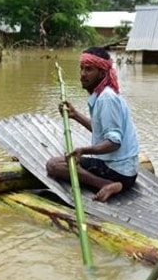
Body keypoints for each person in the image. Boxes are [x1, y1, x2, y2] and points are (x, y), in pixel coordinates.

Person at [46, 47, 140, 202]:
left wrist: (83, 150)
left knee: (53, 165)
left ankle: (107, 184)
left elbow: (114, 143)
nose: (83, 74)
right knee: (63, 162)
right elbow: (101, 132)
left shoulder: (106, 99)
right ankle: (112, 183)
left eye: (89, 69)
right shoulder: (102, 95)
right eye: (82, 68)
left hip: (118, 172)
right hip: (125, 170)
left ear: (102, 73)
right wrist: (75, 115)